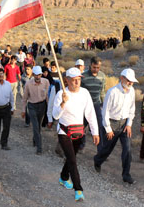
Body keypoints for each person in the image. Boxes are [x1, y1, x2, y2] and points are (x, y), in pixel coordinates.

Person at [53, 68, 99, 202]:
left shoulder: (85, 93)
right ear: (66, 80)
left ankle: (63, 177)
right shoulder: (61, 94)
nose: (77, 82)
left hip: (79, 131)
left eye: (79, 79)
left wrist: (95, 132)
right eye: (74, 80)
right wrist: (63, 103)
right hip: (64, 132)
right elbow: (55, 115)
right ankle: (78, 189)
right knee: (73, 161)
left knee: (71, 158)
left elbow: (90, 113)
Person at [93, 69, 137, 184]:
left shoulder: (132, 91)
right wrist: (108, 129)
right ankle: (97, 160)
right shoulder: (112, 92)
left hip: (124, 124)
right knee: (107, 149)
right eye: (128, 80)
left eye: (132, 81)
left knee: (127, 149)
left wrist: (129, 124)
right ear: (122, 78)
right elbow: (105, 112)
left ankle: (126, 175)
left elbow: (132, 109)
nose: (130, 83)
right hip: (111, 123)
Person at [21, 66, 50, 155]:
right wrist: (23, 110)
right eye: (36, 75)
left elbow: (48, 96)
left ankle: (35, 139)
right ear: (33, 75)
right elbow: (25, 98)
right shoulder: (28, 84)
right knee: (35, 126)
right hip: (32, 106)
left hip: (42, 106)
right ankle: (39, 148)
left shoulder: (46, 82)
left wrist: (49, 110)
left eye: (39, 75)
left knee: (39, 126)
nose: (37, 77)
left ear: (41, 74)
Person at [80, 57, 106, 150]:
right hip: (85, 106)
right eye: (94, 67)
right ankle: (81, 145)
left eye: (98, 67)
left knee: (99, 127)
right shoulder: (83, 76)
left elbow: (102, 91)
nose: (96, 69)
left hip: (96, 105)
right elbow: (80, 92)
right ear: (90, 65)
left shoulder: (102, 76)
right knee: (82, 126)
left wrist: (104, 104)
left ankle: (100, 150)